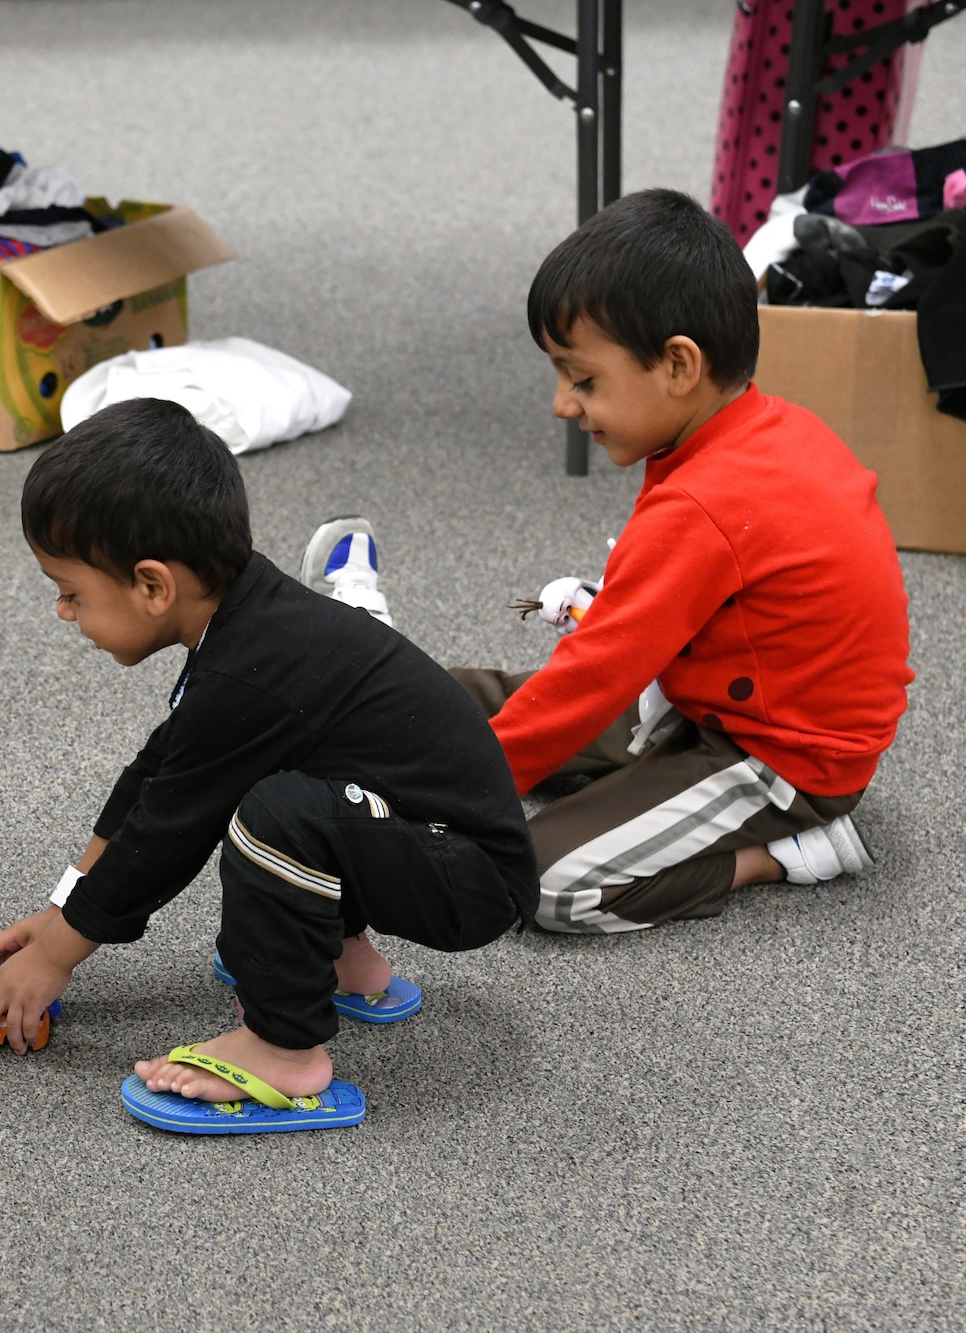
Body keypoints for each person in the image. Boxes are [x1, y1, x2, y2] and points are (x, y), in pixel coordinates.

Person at [0, 399, 536, 1134]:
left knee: (275, 814)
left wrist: (58, 956)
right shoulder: (246, 620)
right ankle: (343, 965)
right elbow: (157, 769)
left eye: (71, 593)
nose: (64, 613)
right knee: (287, 795)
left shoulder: (249, 670)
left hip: (467, 873)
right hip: (417, 833)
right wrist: (66, 903)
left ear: (153, 584)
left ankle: (286, 1049)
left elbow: (168, 832)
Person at [374, 189, 912, 933]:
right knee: (456, 703)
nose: (564, 404)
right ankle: (365, 716)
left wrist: (460, 795)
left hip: (784, 758)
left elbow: (596, 675)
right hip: (710, 692)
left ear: (679, 365)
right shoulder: (748, 430)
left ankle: (789, 851)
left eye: (583, 379)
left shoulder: (705, 504)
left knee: (542, 882)